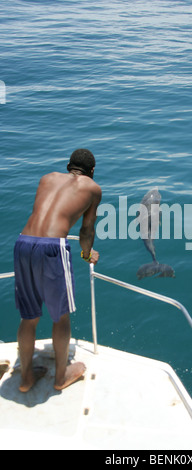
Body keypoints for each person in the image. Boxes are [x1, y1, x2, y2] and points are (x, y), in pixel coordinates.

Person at [14, 149, 102, 393]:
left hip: (23, 243)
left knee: (29, 317)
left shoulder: (47, 178)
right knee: (60, 316)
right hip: (53, 248)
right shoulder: (93, 188)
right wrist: (86, 254)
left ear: (67, 166)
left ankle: (25, 378)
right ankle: (61, 377)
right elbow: (86, 231)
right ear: (92, 171)